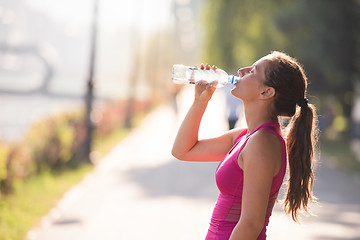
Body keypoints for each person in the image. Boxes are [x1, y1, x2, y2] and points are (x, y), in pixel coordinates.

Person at [171, 51, 318, 240]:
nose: (241, 71)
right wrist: (200, 102)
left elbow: (251, 225)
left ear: (266, 92)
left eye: (253, 70)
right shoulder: (245, 136)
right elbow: (183, 151)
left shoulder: (262, 143)